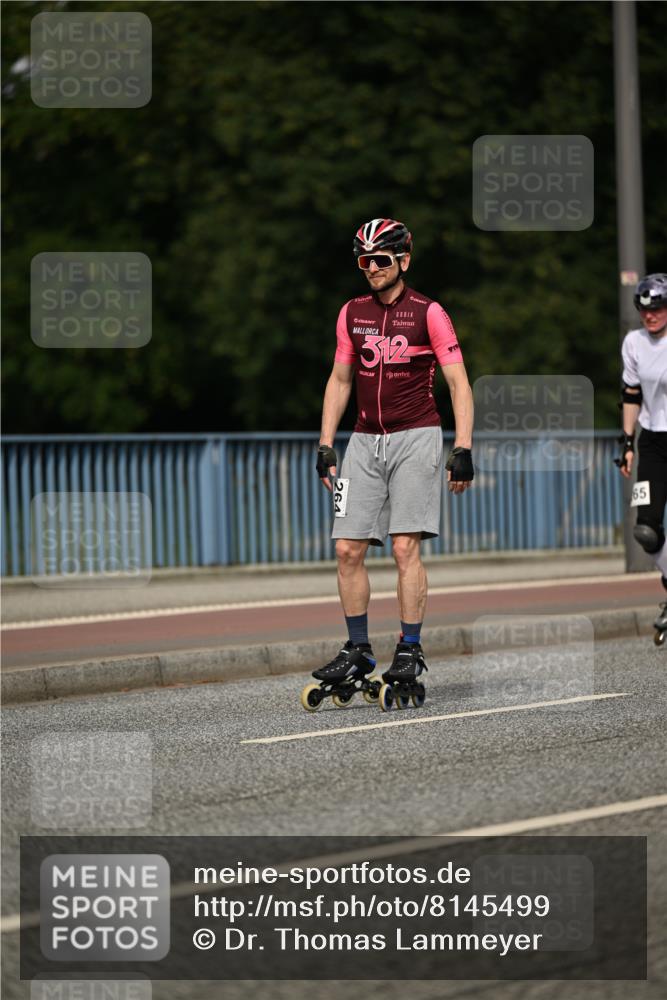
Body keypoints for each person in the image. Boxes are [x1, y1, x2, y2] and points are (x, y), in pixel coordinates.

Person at [312, 217, 474, 702]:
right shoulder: (351, 313)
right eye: (364, 261)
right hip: (363, 442)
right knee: (346, 549)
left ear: (403, 259)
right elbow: (340, 381)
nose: (371, 269)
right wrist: (325, 445)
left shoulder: (430, 313)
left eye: (381, 260)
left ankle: (409, 647)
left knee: (406, 547)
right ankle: (359, 648)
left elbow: (458, 384)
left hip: (417, 439)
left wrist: (462, 447)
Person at [615, 272, 667, 643]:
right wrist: (627, 443)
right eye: (644, 309)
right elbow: (631, 394)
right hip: (651, 441)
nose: (650, 315)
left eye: (658, 308)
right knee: (645, 529)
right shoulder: (633, 342)